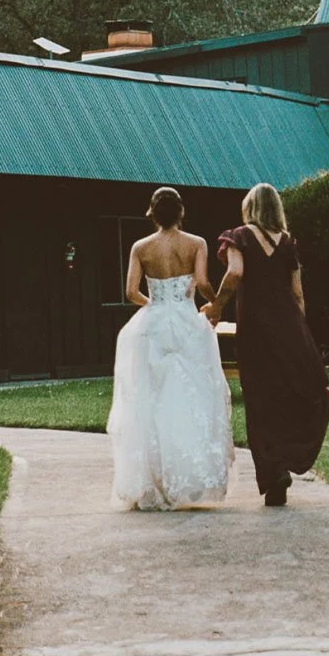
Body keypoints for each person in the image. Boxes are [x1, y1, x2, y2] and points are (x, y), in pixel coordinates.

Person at [203, 183, 329, 507]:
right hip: (288, 327)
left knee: (262, 400)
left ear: (250, 208)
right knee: (290, 394)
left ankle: (274, 474)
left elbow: (235, 273)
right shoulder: (288, 243)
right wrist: (297, 331)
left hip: (257, 330)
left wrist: (217, 306)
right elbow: (298, 294)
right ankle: (286, 460)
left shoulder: (239, 237)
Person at [107, 186, 234, 510]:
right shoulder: (196, 244)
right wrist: (214, 304)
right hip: (187, 322)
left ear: (152, 213)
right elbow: (204, 283)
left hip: (153, 324)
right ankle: (187, 478)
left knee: (149, 401)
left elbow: (130, 291)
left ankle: (153, 481)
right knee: (193, 397)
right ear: (181, 213)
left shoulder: (140, 247)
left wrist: (156, 305)